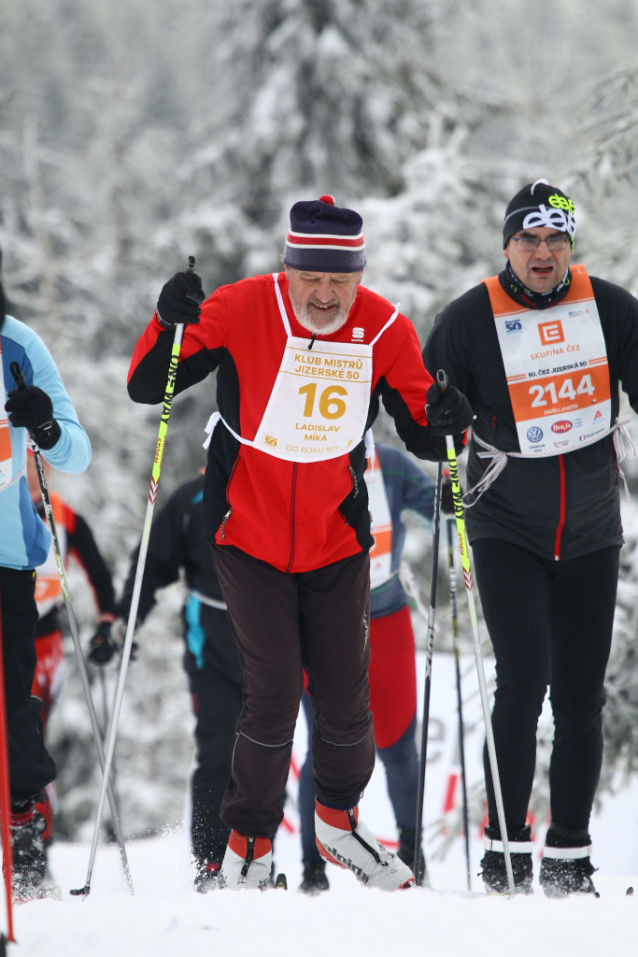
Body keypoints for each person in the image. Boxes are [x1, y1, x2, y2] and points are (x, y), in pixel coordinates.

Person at [127, 195, 472, 890]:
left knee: (348, 697)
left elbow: (423, 429)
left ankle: (338, 822)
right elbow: (148, 383)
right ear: (287, 271)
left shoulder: (382, 327)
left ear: (359, 278)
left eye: (339, 282)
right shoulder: (242, 306)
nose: (323, 295)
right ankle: (249, 844)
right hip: (245, 535)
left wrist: (448, 420)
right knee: (275, 689)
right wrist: (166, 320)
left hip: (335, 540)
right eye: (310, 279)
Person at [423, 179, 638, 897]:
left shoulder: (608, 307)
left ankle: (569, 856)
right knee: (523, 679)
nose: (542, 253)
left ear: (569, 245)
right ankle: (505, 849)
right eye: (529, 240)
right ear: (507, 245)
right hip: (506, 521)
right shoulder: (470, 317)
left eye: (555, 240)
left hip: (590, 528)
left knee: (581, 694)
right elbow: (420, 421)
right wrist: (438, 416)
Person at [90, 469, 244, 892]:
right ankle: (212, 861)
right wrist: (123, 622)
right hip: (210, 638)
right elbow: (151, 565)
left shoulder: (273, 485)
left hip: (273, 635)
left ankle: (256, 857)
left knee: (266, 750)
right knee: (217, 749)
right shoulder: (191, 497)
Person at [297, 442, 439, 893]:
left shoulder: (392, 464)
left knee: (398, 744)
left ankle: (415, 859)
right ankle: (311, 871)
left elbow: (445, 505)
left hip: (387, 618)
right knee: (323, 747)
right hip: (322, 622)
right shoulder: (304, 454)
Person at [0, 267, 91, 900]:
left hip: (5, 560)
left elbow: (76, 452)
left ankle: (24, 836)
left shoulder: (17, 344)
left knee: (12, 714)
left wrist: (47, 426)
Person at [25, 451, 115, 849]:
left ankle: (34, 835)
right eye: (24, 465)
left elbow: (98, 572)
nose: (31, 474)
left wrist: (106, 623)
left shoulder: (64, 515)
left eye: (37, 466)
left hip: (44, 641)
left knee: (30, 736)